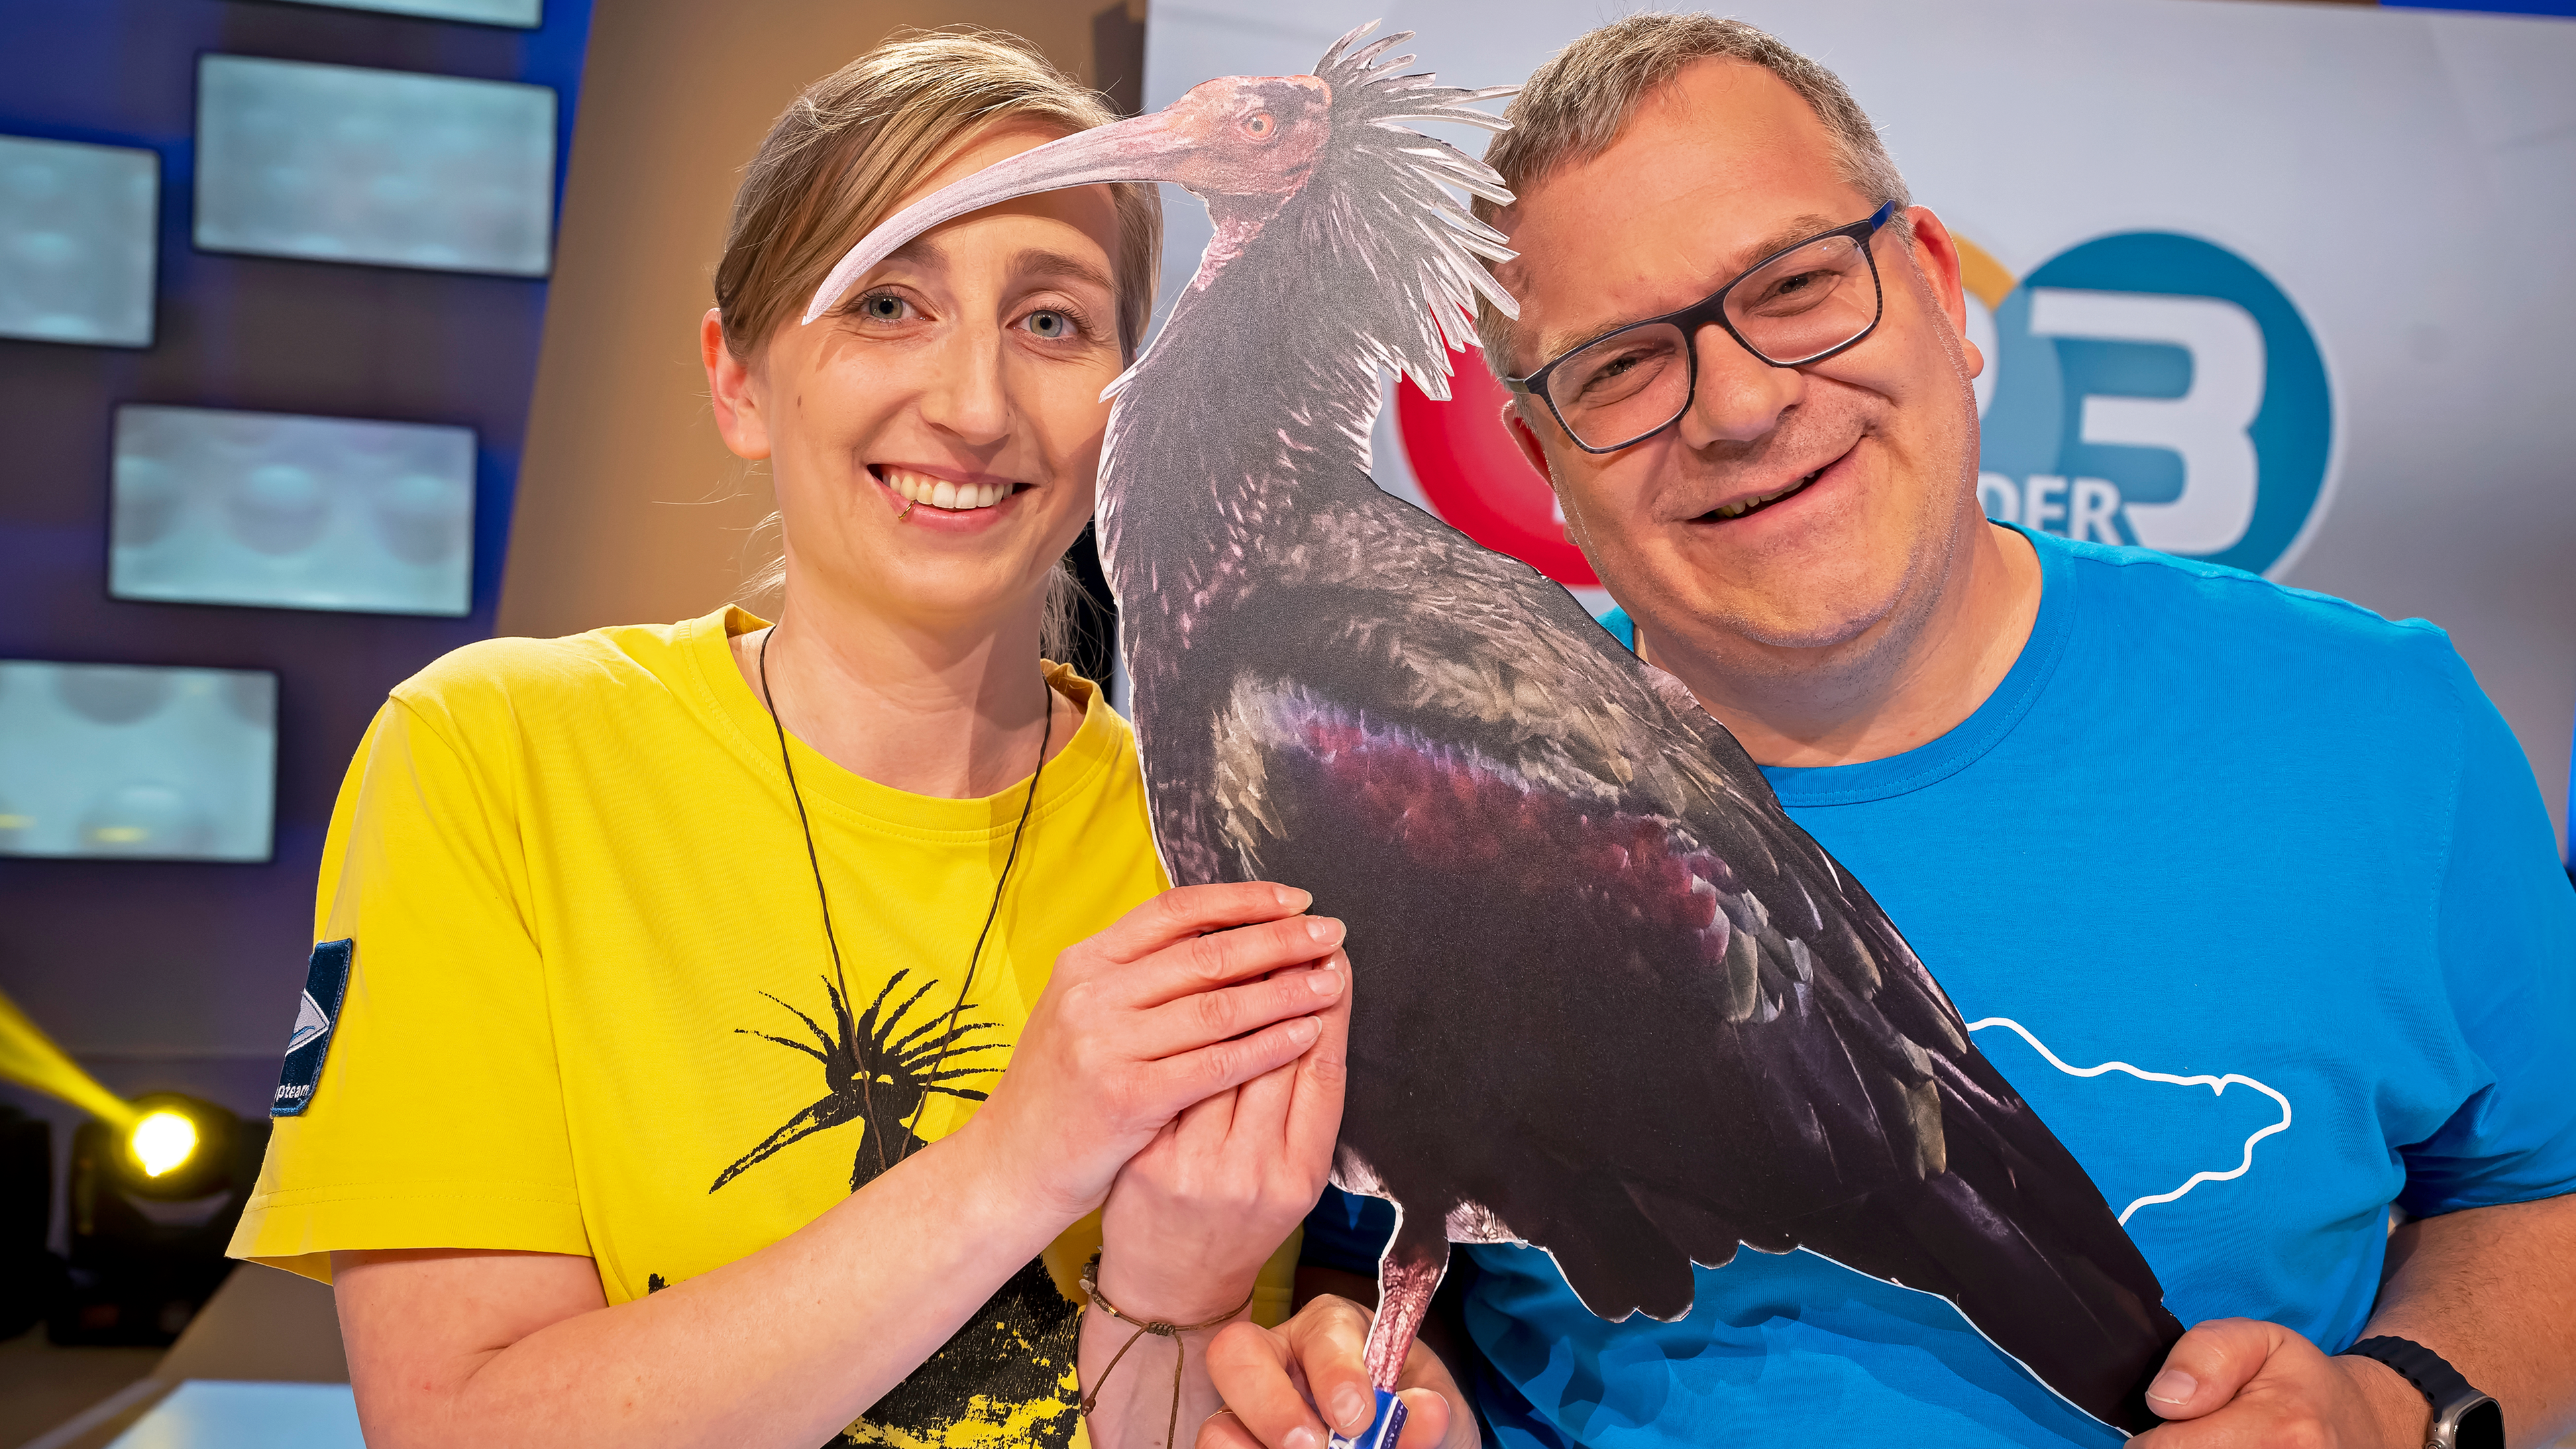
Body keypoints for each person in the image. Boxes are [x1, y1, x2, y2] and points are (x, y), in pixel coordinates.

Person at [1201, 15, 2576, 1449]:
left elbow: (2546, 1188)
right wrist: (1365, 1375)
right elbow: (1357, 1269)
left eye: (1794, 286)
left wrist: (2393, 1406)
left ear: (1934, 285)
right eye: (1618, 366)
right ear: (1542, 458)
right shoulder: (1405, 810)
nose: (1737, 404)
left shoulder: (2372, 731)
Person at [227, 32, 1343, 1449]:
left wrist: (1187, 1301)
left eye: (1053, 323)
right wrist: (1018, 1161)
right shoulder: (495, 754)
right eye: (888, 303)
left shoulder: (1231, 856)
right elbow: (459, 1426)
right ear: (740, 379)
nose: (976, 403)